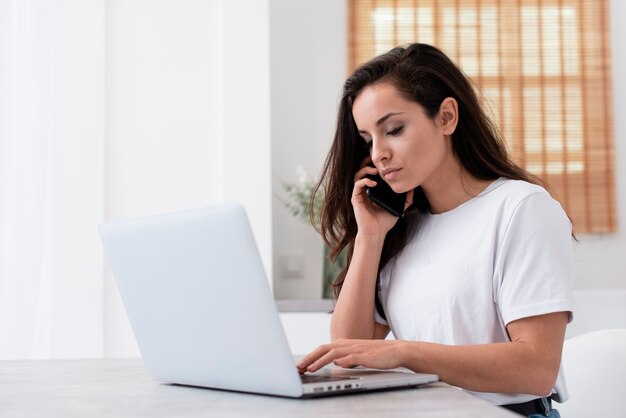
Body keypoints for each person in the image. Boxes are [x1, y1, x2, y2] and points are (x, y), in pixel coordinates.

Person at [296, 43, 573, 417]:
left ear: (446, 117)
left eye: (393, 129)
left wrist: (405, 353)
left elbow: (536, 369)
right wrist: (370, 237)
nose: (378, 153)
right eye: (367, 140)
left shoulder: (520, 208)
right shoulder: (402, 227)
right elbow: (350, 353)